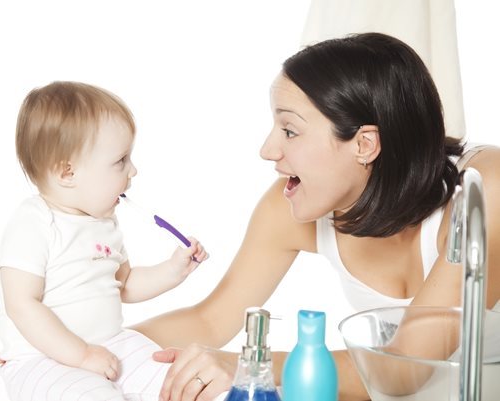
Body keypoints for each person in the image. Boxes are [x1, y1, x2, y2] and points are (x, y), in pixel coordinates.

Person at [130, 32, 500, 401]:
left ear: (364, 144)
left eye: (289, 130)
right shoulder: (290, 205)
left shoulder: (486, 189)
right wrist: (109, 347)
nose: (267, 150)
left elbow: (405, 366)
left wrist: (250, 365)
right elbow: (210, 320)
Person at [0, 81, 208, 401]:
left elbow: (125, 284)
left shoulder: (105, 224)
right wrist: (81, 354)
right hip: (41, 359)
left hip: (109, 345)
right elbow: (21, 304)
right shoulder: (34, 222)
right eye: (121, 160)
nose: (133, 171)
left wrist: (173, 270)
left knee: (176, 380)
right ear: (67, 173)